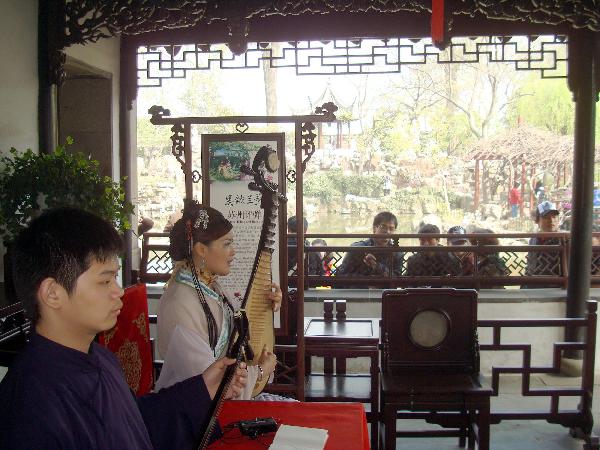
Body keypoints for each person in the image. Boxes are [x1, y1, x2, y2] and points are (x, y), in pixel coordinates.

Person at [0, 207, 247, 450]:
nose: (118, 291)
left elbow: (136, 424)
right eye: (105, 281)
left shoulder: (102, 359)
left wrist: (202, 389)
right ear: (53, 294)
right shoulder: (31, 403)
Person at [156, 200, 281, 400]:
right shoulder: (180, 303)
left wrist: (266, 304)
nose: (233, 252)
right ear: (201, 250)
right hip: (199, 417)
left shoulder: (207, 286)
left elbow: (235, 331)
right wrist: (260, 371)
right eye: (226, 244)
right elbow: (207, 384)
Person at [336, 211, 403, 287]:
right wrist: (366, 283)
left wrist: (376, 266)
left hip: (386, 294)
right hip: (358, 293)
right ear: (374, 228)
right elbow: (342, 276)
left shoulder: (397, 253)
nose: (387, 231)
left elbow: (397, 279)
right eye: (383, 227)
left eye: (391, 228)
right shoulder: (358, 248)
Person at [524, 201, 562, 287]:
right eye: (546, 217)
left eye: (554, 216)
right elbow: (530, 264)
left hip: (555, 286)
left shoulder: (563, 240)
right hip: (533, 284)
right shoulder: (533, 239)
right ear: (537, 220)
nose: (551, 220)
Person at [287, 216, 324, 283]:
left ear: (288, 229)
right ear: (305, 230)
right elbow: (321, 272)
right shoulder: (313, 250)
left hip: (286, 285)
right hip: (309, 285)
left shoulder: (280, 248)